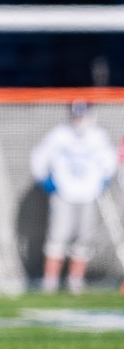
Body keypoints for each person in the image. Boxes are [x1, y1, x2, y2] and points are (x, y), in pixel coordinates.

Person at [30, 100, 117, 294]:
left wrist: (104, 180)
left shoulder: (98, 136)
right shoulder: (58, 135)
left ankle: (75, 281)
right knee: (57, 238)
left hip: (88, 195)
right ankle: (50, 281)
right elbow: (38, 158)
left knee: (84, 240)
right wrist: (46, 181)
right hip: (64, 194)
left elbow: (109, 163)